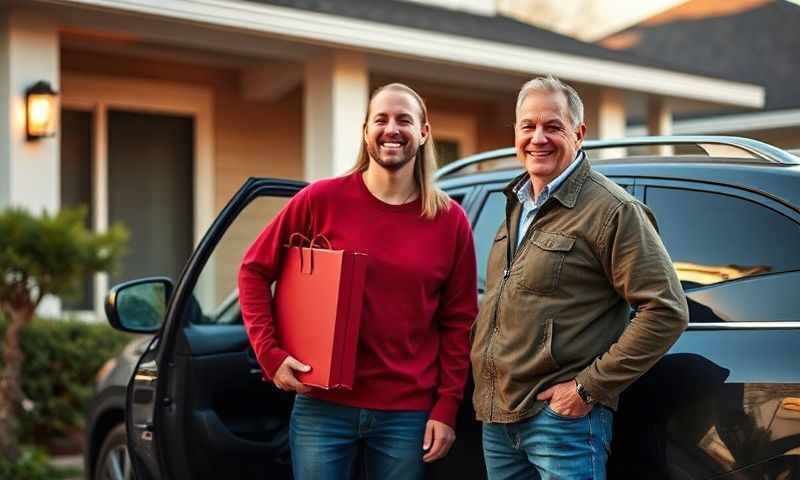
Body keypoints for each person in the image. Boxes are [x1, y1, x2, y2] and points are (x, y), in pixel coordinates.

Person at [239, 83, 478, 480]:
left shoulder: (450, 221)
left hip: (407, 413)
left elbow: (458, 322)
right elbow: (253, 270)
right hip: (322, 405)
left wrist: (445, 407)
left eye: (404, 119)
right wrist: (271, 354)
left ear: (423, 132)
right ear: (366, 130)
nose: (392, 129)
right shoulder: (320, 200)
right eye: (380, 119)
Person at [470, 76, 689, 480]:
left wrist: (588, 389)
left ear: (579, 133)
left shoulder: (612, 210)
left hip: (561, 424)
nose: (538, 138)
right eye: (528, 126)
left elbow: (666, 310)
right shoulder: (516, 205)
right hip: (498, 421)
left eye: (553, 126)